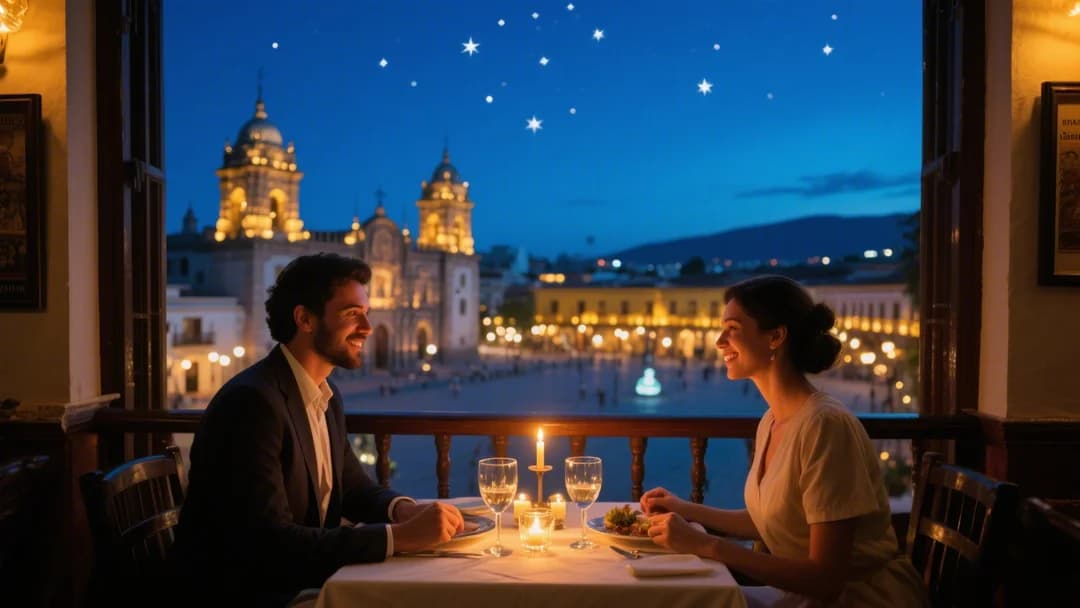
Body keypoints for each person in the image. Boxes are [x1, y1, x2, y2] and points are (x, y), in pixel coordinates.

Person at [172, 253, 464, 607]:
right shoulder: (252, 404)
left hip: (297, 582)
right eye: (352, 313)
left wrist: (403, 510)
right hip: (249, 594)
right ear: (305, 319)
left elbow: (353, 488)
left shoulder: (323, 393)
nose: (368, 328)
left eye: (367, 313)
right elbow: (269, 544)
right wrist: (397, 538)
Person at [640, 275, 925, 607]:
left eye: (732, 328)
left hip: (862, 599)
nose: (719, 341)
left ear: (775, 336)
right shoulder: (773, 420)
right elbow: (772, 521)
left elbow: (826, 578)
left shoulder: (825, 426)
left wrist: (706, 545)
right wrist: (685, 509)